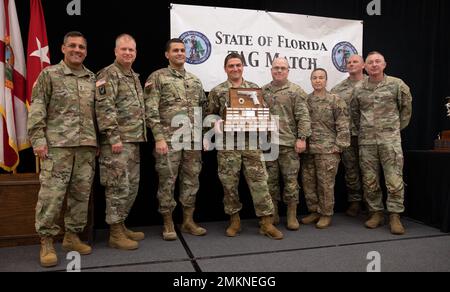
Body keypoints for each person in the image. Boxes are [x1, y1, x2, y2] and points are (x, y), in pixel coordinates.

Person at [28, 31, 97, 267]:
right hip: (57, 147)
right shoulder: (49, 75)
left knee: (80, 195)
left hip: (86, 148)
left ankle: (72, 236)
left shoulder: (92, 78)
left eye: (81, 47)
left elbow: (98, 114)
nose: (77, 50)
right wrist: (38, 141)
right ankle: (46, 241)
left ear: (86, 51)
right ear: (63, 48)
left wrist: (96, 141)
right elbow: (37, 110)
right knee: (52, 196)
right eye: (73, 46)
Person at [205, 52, 283, 239]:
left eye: (238, 65)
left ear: (243, 67)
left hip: (251, 144)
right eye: (231, 66)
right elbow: (209, 116)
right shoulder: (218, 91)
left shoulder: (254, 89)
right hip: (228, 146)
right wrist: (214, 123)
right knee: (229, 184)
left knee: (260, 183)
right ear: (225, 69)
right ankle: (235, 220)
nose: (235, 69)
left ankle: (266, 222)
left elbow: (263, 112)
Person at [144, 38, 207, 241]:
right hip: (169, 141)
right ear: (167, 54)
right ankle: (168, 222)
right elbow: (150, 110)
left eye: (182, 50)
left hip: (192, 141)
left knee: (191, 180)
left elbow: (202, 110)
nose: (180, 53)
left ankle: (188, 220)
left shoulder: (195, 80)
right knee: (167, 181)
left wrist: (204, 136)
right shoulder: (158, 77)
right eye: (175, 50)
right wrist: (159, 138)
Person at [351, 51, 412, 235]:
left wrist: (393, 130)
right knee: (370, 181)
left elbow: (406, 109)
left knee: (394, 179)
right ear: (365, 66)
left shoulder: (396, 84)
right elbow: (354, 113)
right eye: (370, 62)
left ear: (384, 64)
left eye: (378, 62)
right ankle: (376, 213)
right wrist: (364, 130)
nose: (374, 65)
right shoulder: (359, 88)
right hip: (367, 141)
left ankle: (394, 215)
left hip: (389, 141)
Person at [95, 34, 146, 250]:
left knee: (130, 187)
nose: (127, 53)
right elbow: (105, 108)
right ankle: (115, 233)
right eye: (123, 49)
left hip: (132, 141)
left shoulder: (133, 76)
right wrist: (113, 137)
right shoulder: (109, 74)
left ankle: (121, 224)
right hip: (117, 143)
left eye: (131, 50)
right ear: (116, 51)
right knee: (117, 187)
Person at [262, 57, 311, 230]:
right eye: (276, 68)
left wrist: (302, 138)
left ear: (288, 71)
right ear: (271, 70)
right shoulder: (263, 91)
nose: (279, 71)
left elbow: (303, 117)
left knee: (291, 181)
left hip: (289, 144)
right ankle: (273, 213)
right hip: (268, 144)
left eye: (283, 68)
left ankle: (291, 215)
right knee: (270, 181)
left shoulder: (295, 90)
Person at [301, 68, 350, 229]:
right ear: (311, 80)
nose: (318, 80)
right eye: (314, 78)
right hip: (309, 150)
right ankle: (314, 211)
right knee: (309, 183)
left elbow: (343, 125)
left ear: (326, 80)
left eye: (321, 77)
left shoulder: (335, 100)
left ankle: (326, 213)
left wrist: (339, 146)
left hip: (328, 150)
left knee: (325, 184)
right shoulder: (306, 101)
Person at [331, 54, 365, 217]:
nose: (351, 64)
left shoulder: (371, 84)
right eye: (349, 62)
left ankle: (374, 206)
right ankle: (355, 201)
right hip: (348, 136)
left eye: (355, 62)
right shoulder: (338, 89)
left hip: (369, 136)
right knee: (351, 170)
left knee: (371, 170)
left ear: (363, 65)